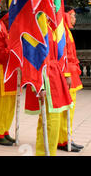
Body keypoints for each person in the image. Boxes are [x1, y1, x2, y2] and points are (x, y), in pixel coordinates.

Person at [24, 17, 73, 156]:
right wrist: (37, 84)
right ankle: (45, 153)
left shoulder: (49, 26)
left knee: (52, 118)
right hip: (44, 74)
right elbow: (30, 56)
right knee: (50, 120)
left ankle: (46, 152)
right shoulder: (35, 25)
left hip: (54, 73)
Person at [57, 7, 84, 152]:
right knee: (66, 109)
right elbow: (63, 55)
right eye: (72, 15)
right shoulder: (63, 32)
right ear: (66, 16)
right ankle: (63, 139)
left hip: (73, 72)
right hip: (68, 74)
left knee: (70, 110)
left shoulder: (67, 31)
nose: (75, 18)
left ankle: (68, 137)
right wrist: (66, 74)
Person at [0, 11, 17, 146]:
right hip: (3, 71)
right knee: (2, 105)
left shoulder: (10, 33)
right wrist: (14, 47)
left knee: (10, 105)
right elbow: (1, 55)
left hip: (12, 73)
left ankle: (5, 131)